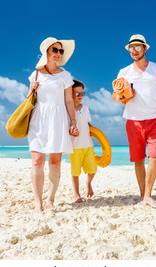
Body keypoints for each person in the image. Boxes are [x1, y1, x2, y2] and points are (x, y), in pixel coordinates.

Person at [116, 34, 156, 208]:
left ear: (145, 48)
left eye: (137, 47)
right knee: (138, 159)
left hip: (155, 119)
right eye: (131, 48)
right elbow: (116, 96)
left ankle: (148, 195)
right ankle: (143, 195)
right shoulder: (124, 72)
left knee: (155, 157)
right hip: (133, 121)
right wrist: (123, 95)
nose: (134, 51)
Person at [27, 37, 79, 211]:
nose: (58, 54)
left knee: (55, 162)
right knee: (37, 160)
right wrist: (32, 89)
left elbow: (69, 101)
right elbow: (29, 100)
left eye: (61, 51)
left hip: (58, 118)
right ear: (47, 52)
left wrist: (73, 122)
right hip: (39, 118)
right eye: (55, 50)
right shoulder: (35, 74)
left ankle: (50, 199)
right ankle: (37, 202)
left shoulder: (65, 75)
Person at [69, 80, 97, 203]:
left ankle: (88, 183)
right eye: (77, 93)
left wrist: (95, 133)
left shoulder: (85, 108)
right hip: (75, 146)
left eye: (82, 93)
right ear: (70, 94)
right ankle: (76, 194)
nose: (80, 96)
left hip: (88, 145)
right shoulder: (67, 110)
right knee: (75, 172)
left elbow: (88, 123)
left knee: (93, 170)